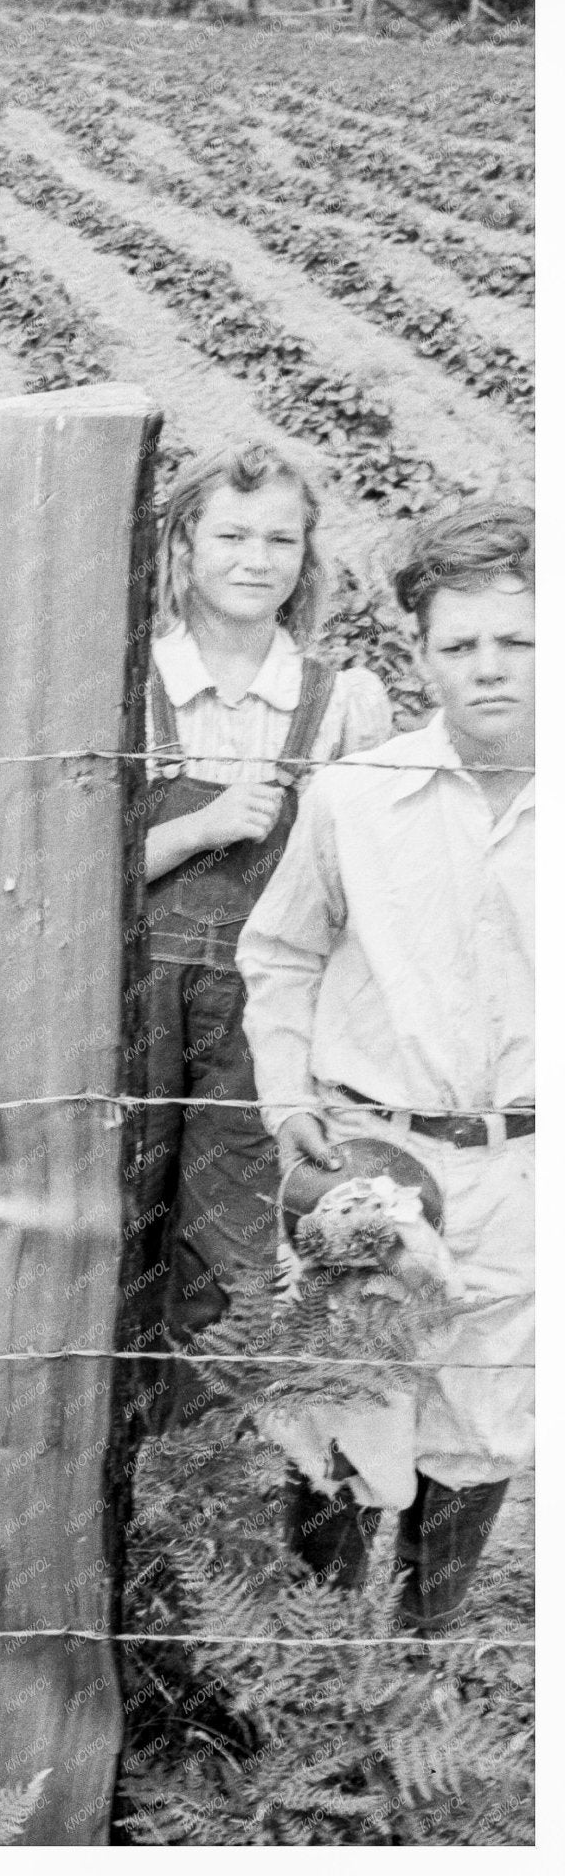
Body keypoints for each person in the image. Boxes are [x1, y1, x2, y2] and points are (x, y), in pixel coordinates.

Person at [238, 500, 534, 1633]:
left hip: (521, 1168)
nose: (487, 669)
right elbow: (277, 951)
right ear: (418, 655)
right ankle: (317, 1667)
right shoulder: (357, 795)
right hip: (372, 1160)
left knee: (481, 1417)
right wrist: (283, 1099)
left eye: (514, 639)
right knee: (342, 1417)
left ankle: (420, 1666)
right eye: (456, 646)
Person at [125, 445, 392, 1432]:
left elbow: (365, 885)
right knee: (113, 1227)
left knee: (235, 1239)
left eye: (279, 537)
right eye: (230, 534)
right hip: (129, 998)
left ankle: (210, 1467)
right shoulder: (129, 687)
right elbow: (66, 876)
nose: (255, 557)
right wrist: (199, 824)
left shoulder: (336, 701)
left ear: (305, 553)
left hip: (265, 1013)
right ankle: (113, 1468)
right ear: (182, 540)